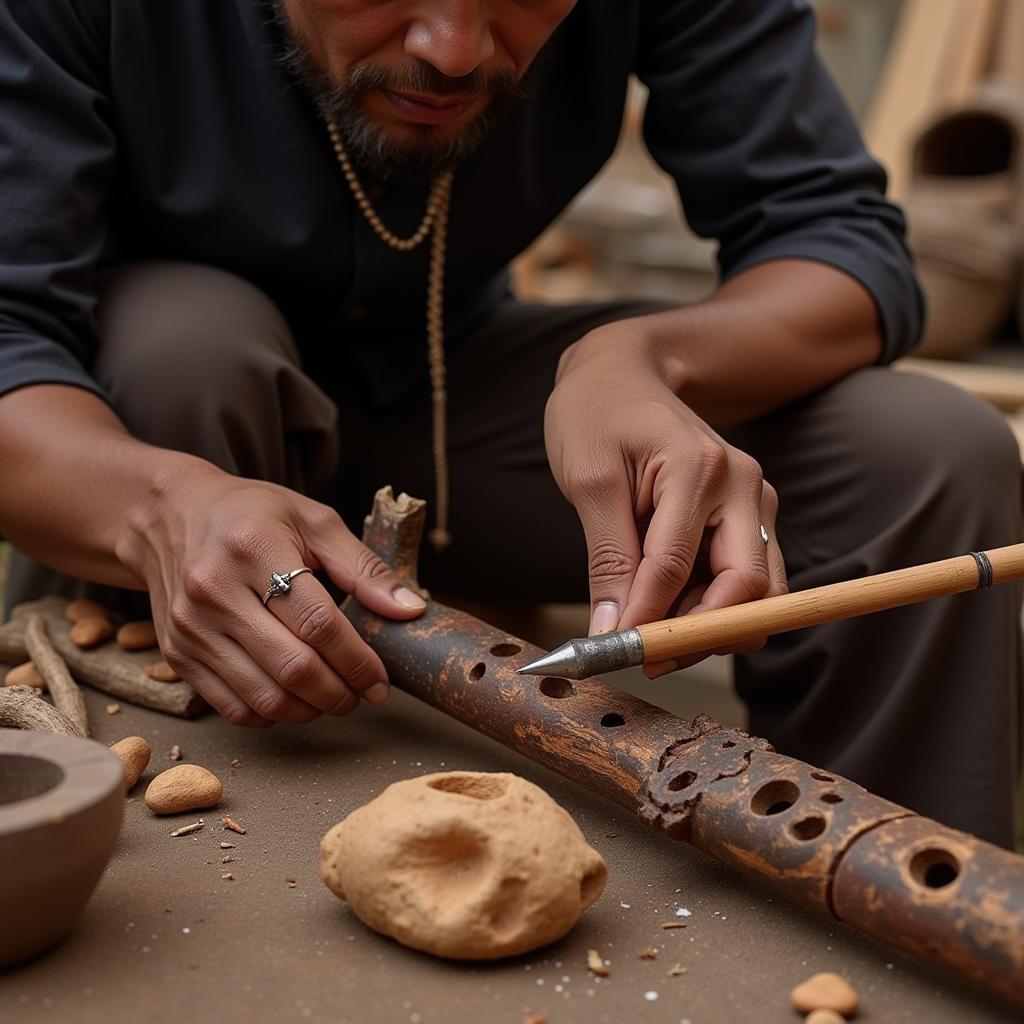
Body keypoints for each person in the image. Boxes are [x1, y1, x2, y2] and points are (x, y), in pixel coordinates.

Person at [0, 0, 1019, 847]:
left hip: (460, 390)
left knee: (928, 453)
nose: (452, 51)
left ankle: (881, 928)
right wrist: (156, 506)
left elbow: (840, 239)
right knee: (185, 345)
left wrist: (642, 358)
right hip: (152, 428)